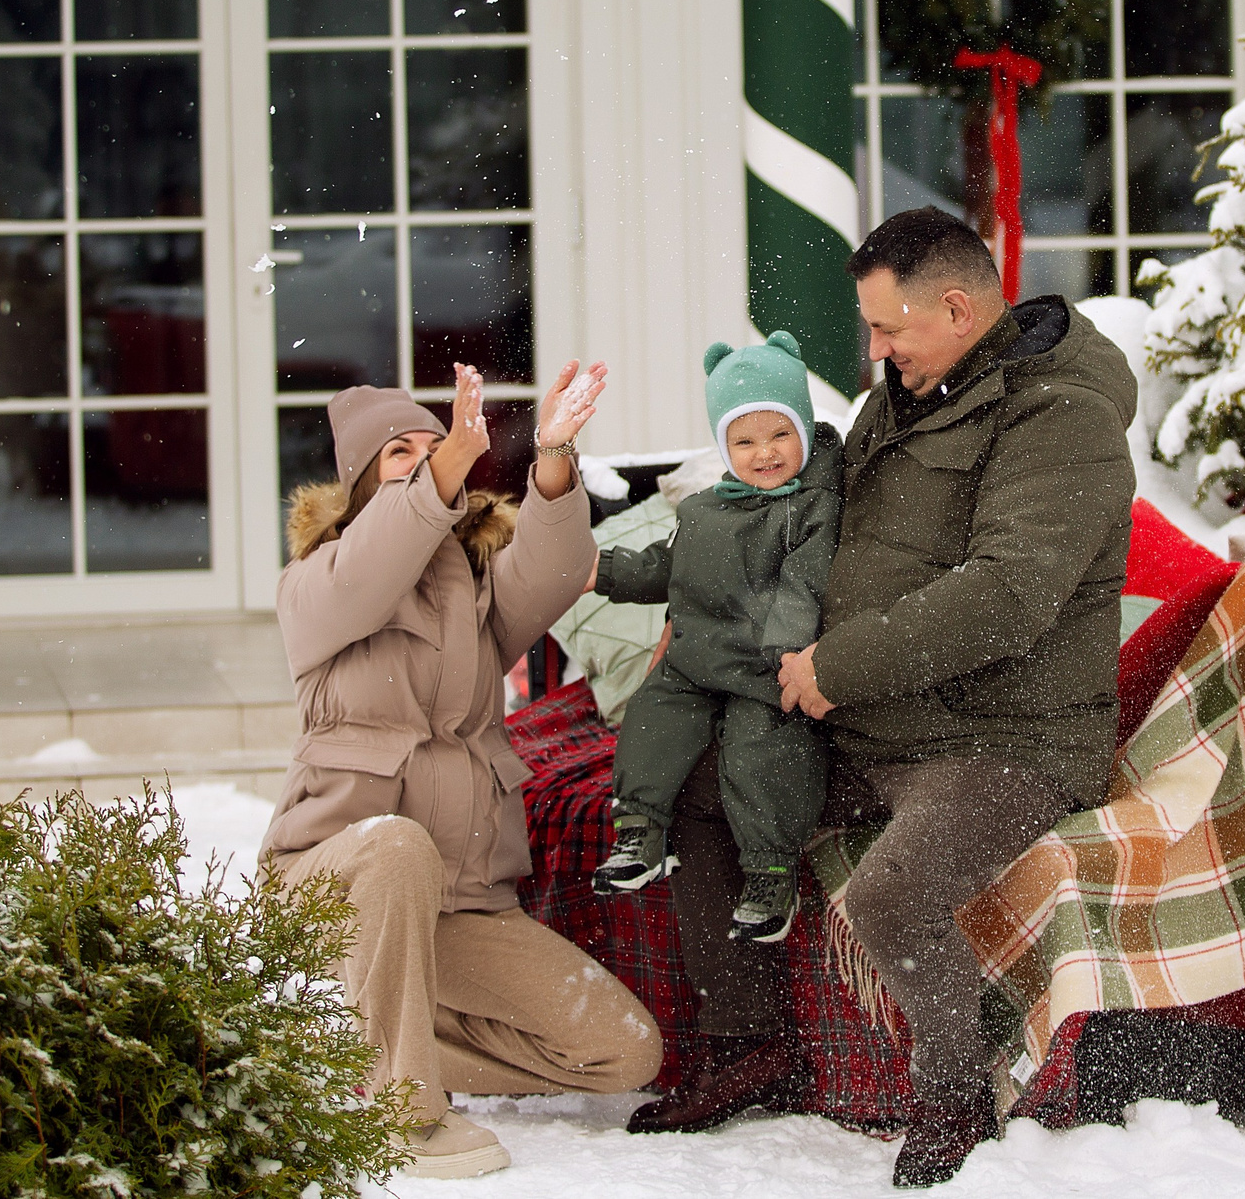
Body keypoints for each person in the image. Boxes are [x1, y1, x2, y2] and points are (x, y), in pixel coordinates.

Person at [629, 208, 1139, 1189]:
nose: (874, 348)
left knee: (895, 896)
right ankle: (749, 1048)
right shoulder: (907, 393)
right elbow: (818, 518)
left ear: (954, 306)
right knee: (697, 790)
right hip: (869, 723)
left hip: (1004, 739)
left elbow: (1008, 596)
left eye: (887, 327)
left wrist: (837, 667)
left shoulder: (1061, 418)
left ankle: (953, 1103)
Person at [261, 361, 662, 1181]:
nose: (421, 458)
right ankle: (399, 1108)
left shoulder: (474, 589)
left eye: (430, 445)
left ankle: (381, 1044)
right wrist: (444, 466)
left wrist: (551, 456)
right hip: (335, 879)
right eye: (398, 453)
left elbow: (551, 572)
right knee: (396, 846)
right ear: (362, 484)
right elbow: (373, 569)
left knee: (624, 1052)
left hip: (460, 903)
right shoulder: (315, 586)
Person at [587, 331, 844, 944]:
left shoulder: (813, 507)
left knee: (760, 754)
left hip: (763, 671)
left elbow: (804, 587)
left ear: (804, 433)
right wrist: (602, 570)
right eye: (744, 440)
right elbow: (668, 564)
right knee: (652, 717)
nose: (764, 454)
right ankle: (640, 832)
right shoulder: (703, 509)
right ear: (724, 446)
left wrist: (783, 660)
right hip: (694, 664)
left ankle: (769, 873)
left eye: (780, 434)